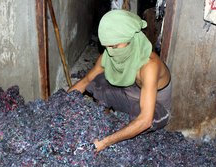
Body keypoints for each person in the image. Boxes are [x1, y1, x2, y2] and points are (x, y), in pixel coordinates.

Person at [67, 10, 172, 152]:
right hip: (129, 96)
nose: (110, 52)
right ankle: (110, 118)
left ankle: (122, 127)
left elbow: (145, 120)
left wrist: (105, 142)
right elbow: (85, 81)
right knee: (97, 81)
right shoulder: (111, 53)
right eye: (107, 46)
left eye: (115, 46)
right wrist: (60, 104)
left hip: (156, 108)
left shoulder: (149, 66)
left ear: (130, 40)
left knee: (139, 120)